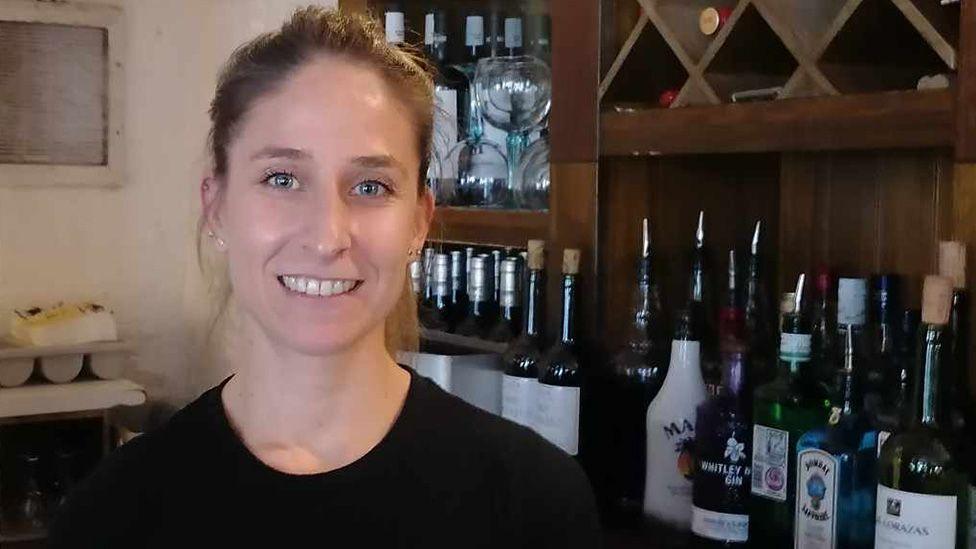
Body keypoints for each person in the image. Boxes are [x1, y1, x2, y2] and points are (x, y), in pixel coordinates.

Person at [48, 6, 600, 548]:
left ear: (418, 223)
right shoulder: (111, 516)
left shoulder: (535, 505)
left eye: (370, 187)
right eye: (283, 178)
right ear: (216, 208)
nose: (327, 235)